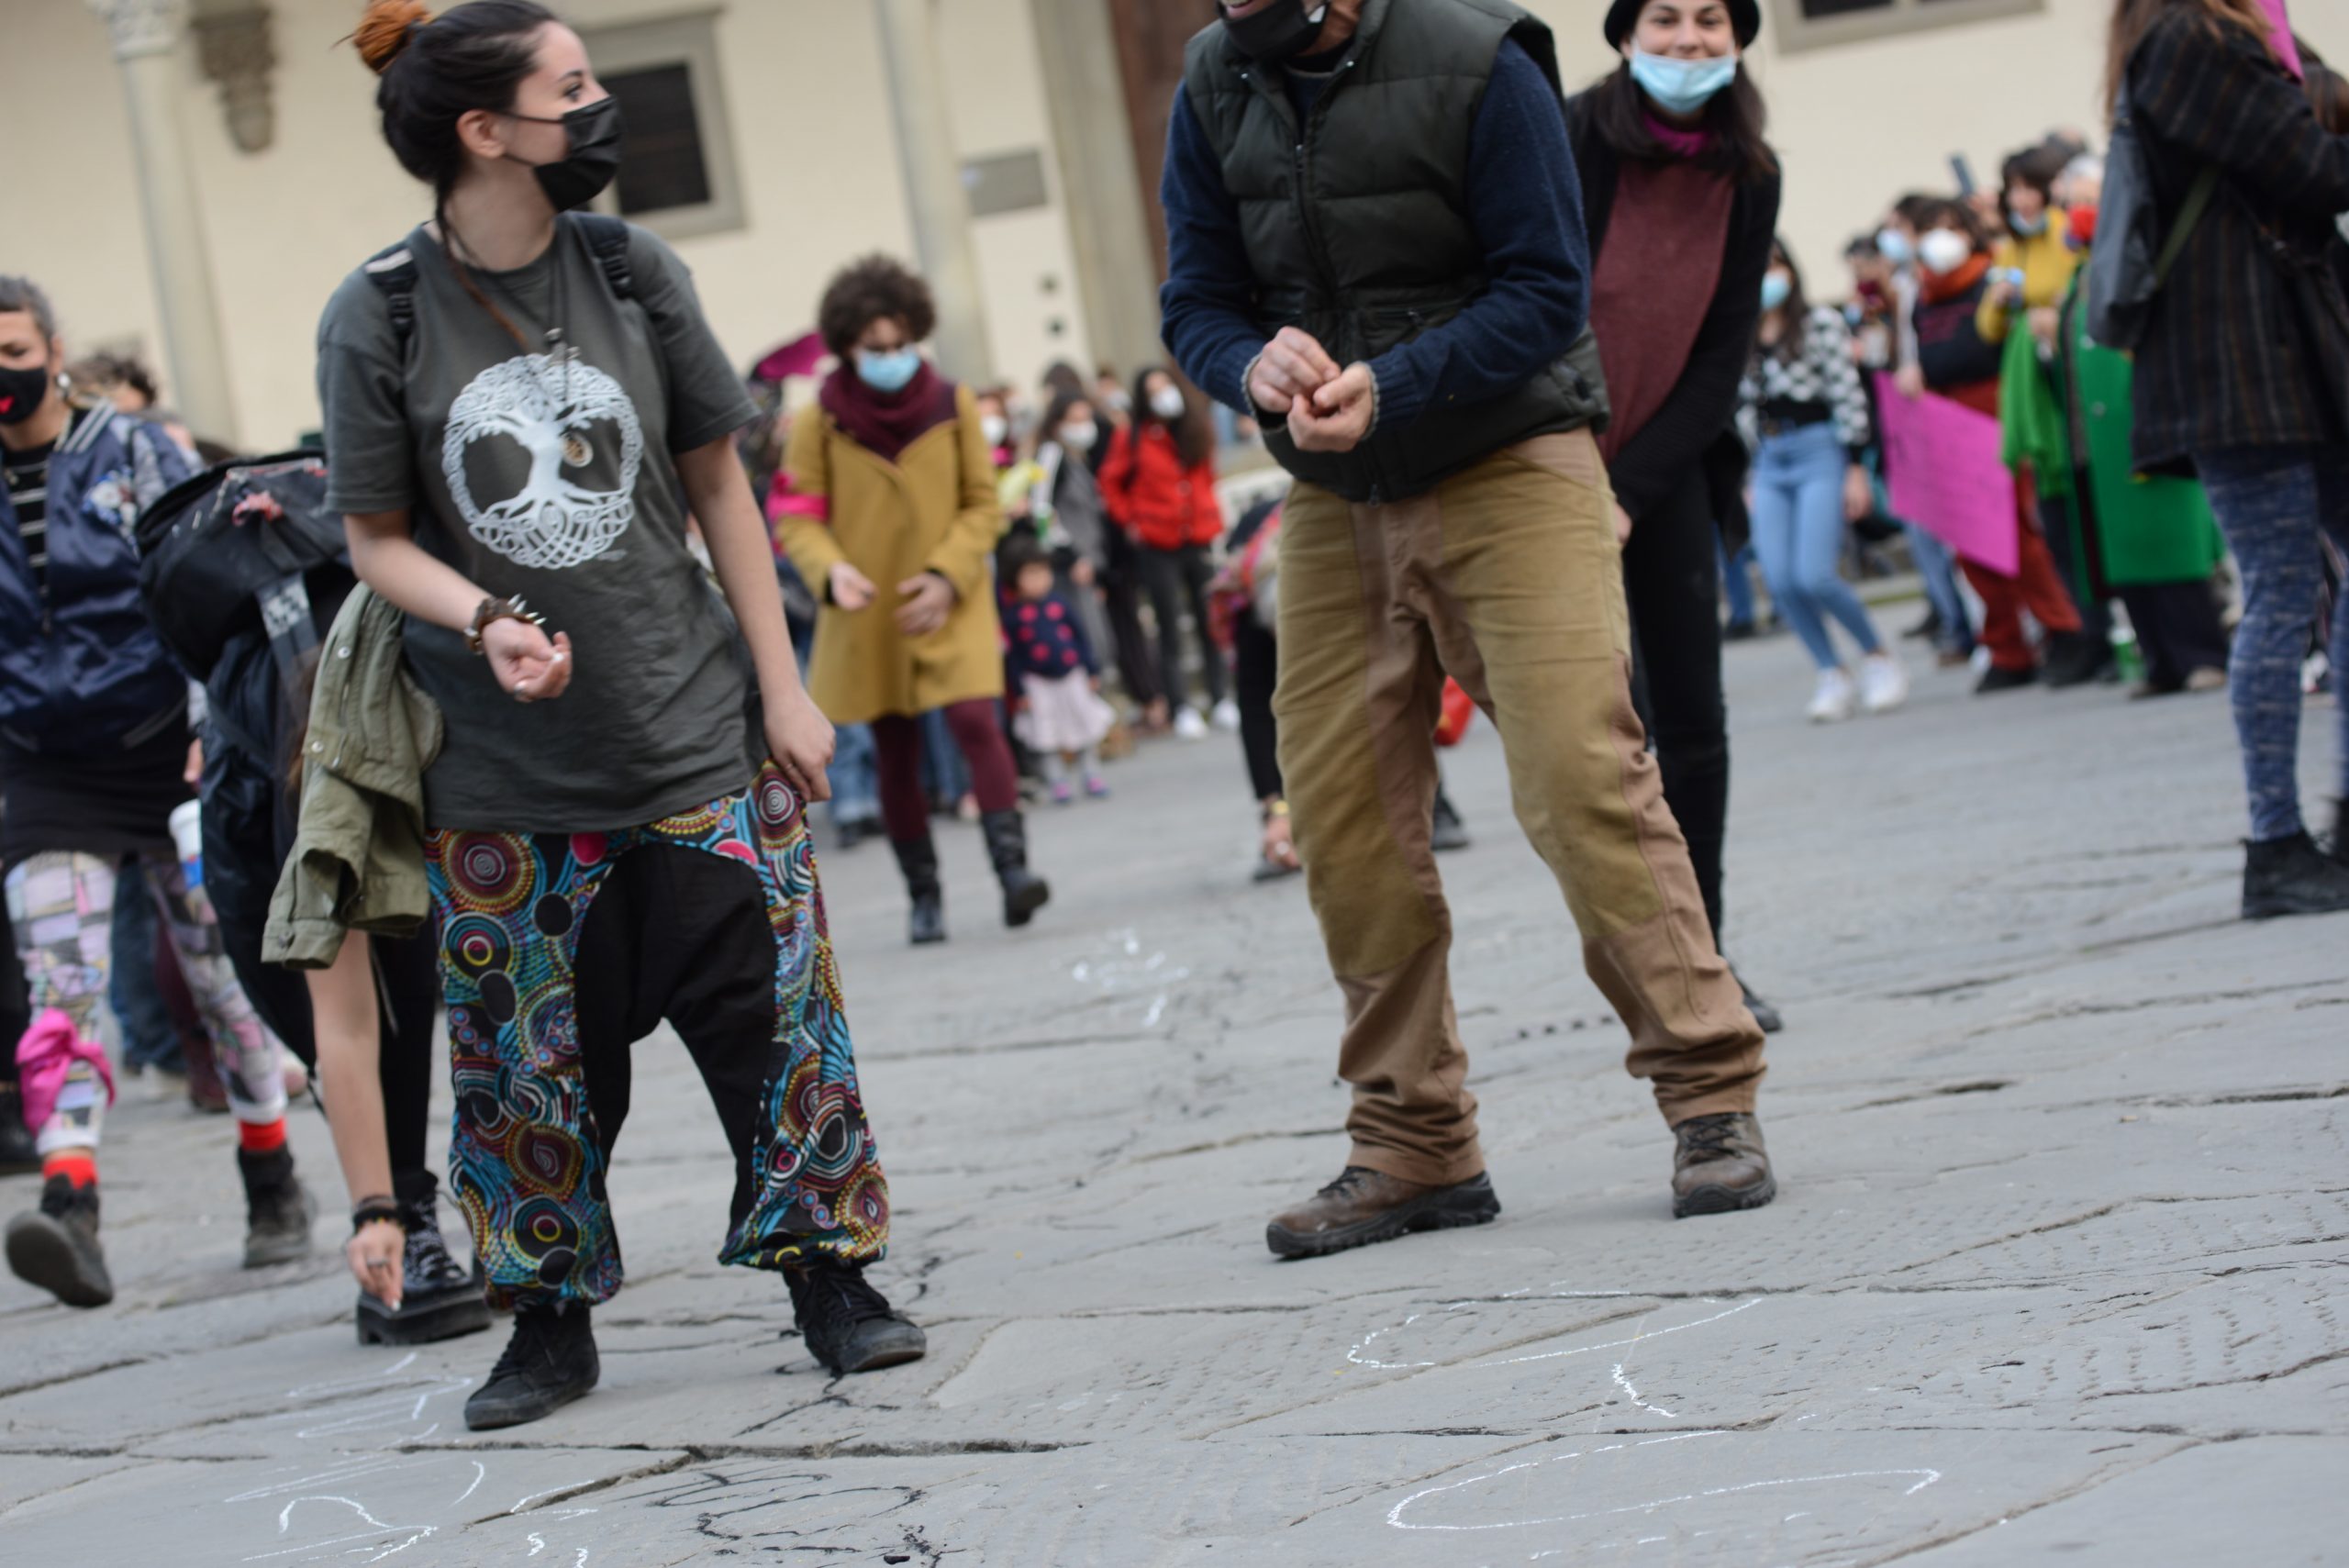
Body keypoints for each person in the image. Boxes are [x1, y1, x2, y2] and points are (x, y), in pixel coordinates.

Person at [322, 1, 925, 1428]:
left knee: (780, 1028)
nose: (599, 107)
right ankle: (547, 1323)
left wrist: (784, 686)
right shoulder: (381, 311)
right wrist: (485, 617)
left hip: (697, 734)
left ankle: (832, 1282)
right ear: (486, 129)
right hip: (503, 776)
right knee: (526, 1069)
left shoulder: (630, 269)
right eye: (573, 86)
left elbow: (721, 482)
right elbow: (375, 539)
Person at [1163, 0, 1775, 1257]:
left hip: (1511, 455)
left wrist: (1392, 382)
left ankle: (1709, 1091)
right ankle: (1414, 1141)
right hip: (1334, 486)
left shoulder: (1479, 54)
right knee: (1338, 815)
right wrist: (1247, 369)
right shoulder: (1211, 79)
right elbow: (1196, 299)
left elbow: (1547, 290)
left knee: (1579, 775)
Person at [0, 274, 313, 1308]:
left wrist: (206, 720)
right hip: (44, 766)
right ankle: (71, 1199)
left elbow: (206, 579)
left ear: (54, 350)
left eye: (14, 350)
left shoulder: (133, 451)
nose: (2, 372)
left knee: (222, 976)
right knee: (60, 983)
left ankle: (271, 1171)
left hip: (167, 750)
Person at [1567, 0, 1783, 1030]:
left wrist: (1630, 489)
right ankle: (1641, 958)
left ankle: (1705, 958)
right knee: (1610, 729)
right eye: (1663, 19)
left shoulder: (1751, 174)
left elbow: (1720, 355)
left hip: (1666, 468)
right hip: (1545, 458)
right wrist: (1574, 474)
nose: (1688, 41)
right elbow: (1533, 303)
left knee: (1694, 722)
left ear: (1737, 40)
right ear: (1624, 35)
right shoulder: (1570, 133)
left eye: (1710, 21)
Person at [2112, 0, 2349, 917]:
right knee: (2282, 590)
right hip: (2237, 363)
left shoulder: (2234, 31)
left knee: (2300, 584)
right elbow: (2310, 162)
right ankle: (2274, 841)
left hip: (2292, 352)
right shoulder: (2191, 35)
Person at [774, 254, 1049, 946]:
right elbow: (797, 513)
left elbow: (982, 503)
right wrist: (830, 571)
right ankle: (923, 897)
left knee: (977, 722)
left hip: (951, 596)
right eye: (876, 347)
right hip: (867, 608)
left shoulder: (953, 402)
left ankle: (1013, 872)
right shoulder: (819, 420)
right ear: (847, 345)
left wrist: (948, 574)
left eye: (900, 343)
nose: (892, 358)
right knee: (895, 749)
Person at [2049, 155, 2231, 700]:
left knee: (2169, 545)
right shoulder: (2082, 273)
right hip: (2097, 439)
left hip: (2144, 422)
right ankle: (2159, 660)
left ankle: (2201, 654)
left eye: (2089, 199)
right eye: (2071, 203)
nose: (2079, 212)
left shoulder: (2141, 255)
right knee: (2125, 554)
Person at [1905, 198, 2095, 693]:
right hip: (1944, 417)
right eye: (1931, 229)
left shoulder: (1993, 280)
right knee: (1971, 545)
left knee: (2016, 534)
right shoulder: (1922, 296)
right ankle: (2006, 647)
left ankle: (2062, 628)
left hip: (1993, 410)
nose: (1941, 239)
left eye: (1950, 227)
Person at [1740, 239, 1909, 722]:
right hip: (1768, 459)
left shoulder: (1820, 324)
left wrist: (1855, 468)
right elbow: (1737, 407)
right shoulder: (1740, 331)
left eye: (1774, 266)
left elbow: (1848, 396)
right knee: (1779, 579)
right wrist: (1747, 474)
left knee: (1815, 573)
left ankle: (1877, 655)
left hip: (1818, 450)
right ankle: (1830, 670)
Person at [1979, 143, 2113, 687]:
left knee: (2084, 521)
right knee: (2055, 525)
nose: (2020, 200)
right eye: (2012, 190)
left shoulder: (2064, 234)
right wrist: (2002, 303)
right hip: (2032, 393)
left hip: (2069, 390)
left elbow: (2080, 295)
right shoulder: (2011, 248)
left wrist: (2050, 314)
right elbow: (1988, 327)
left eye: (2027, 187)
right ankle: (2080, 631)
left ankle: (2103, 633)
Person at [1099, 367, 1233, 740]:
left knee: (1209, 619)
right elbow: (1110, 483)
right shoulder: (1132, 436)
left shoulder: (1196, 427)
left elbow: (1207, 474)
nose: (1162, 395)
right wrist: (1132, 521)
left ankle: (1221, 697)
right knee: (1169, 624)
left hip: (1199, 535)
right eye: (1153, 390)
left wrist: (1207, 511)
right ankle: (1181, 706)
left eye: (1165, 387)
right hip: (1157, 541)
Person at [1876, 196, 1979, 666]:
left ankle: (1977, 629)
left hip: (1952, 413)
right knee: (1929, 532)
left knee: (1965, 529)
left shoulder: (1949, 282)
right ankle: (1958, 625)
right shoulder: (1907, 284)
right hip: (1918, 417)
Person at [1000, 537, 1116, 804]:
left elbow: (1081, 638)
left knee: (1082, 724)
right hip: (1037, 682)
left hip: (1071, 676)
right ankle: (1058, 781)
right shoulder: (1013, 617)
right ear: (1014, 579)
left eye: (1043, 572)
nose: (1039, 580)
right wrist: (1020, 691)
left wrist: (1091, 670)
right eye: (1030, 574)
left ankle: (1091, 773)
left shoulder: (1060, 604)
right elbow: (1013, 658)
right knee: (1046, 734)